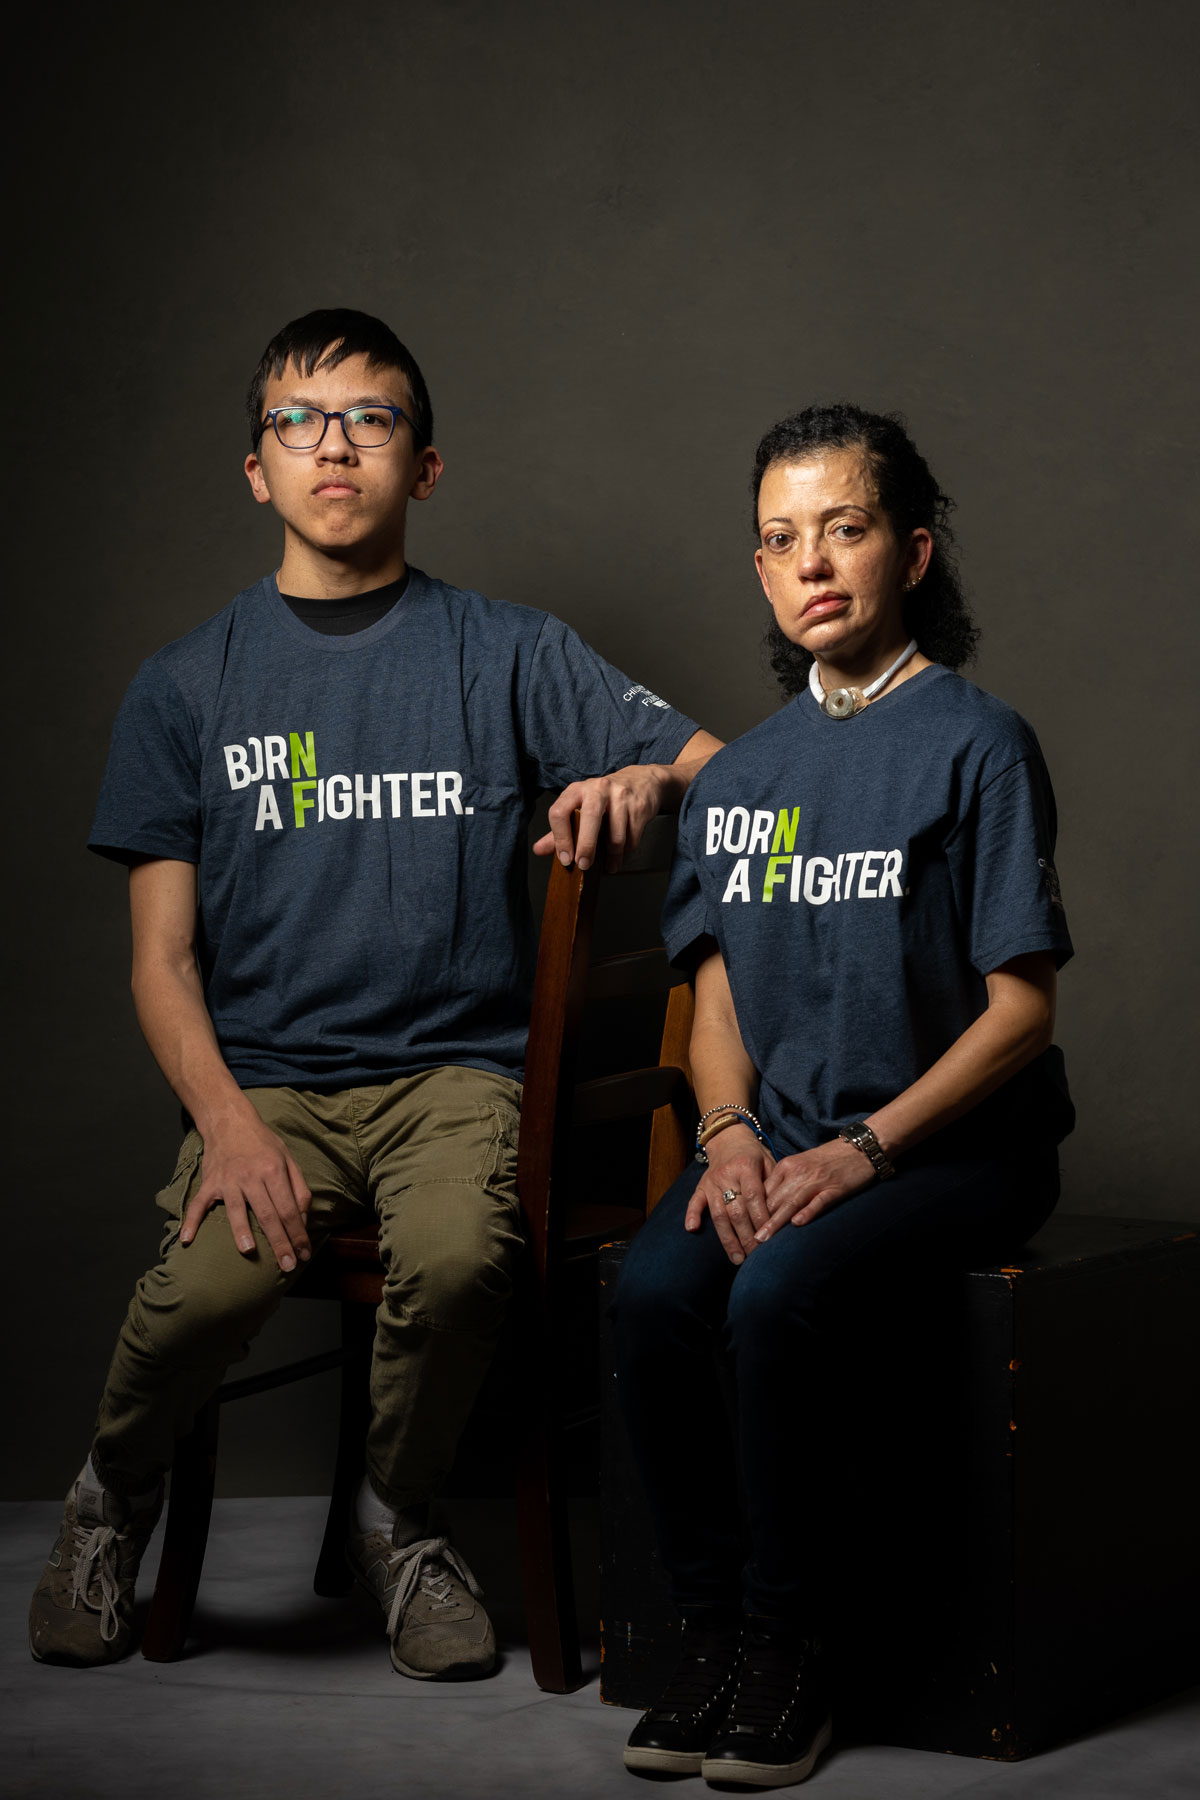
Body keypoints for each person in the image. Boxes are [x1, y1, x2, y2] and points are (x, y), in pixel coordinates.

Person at [29, 308, 720, 1681]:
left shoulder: (509, 651)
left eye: (371, 418)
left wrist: (652, 777)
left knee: (466, 1261)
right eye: (299, 419)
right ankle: (110, 1501)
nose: (333, 444)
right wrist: (227, 1126)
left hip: (456, 1079)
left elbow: (734, 771)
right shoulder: (185, 688)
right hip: (267, 1085)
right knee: (197, 1302)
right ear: (255, 470)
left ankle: (398, 1522)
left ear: (427, 464)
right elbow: (160, 961)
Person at [611, 404, 1073, 1788]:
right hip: (784, 1142)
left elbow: (1024, 1013)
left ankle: (790, 1647)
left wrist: (864, 1150)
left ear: (912, 550)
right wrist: (733, 1133)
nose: (813, 561)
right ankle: (709, 1636)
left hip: (953, 1150)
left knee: (772, 1294)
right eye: (780, 538)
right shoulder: (737, 778)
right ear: (759, 572)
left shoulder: (979, 743)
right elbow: (721, 1005)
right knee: (649, 1292)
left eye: (846, 528)